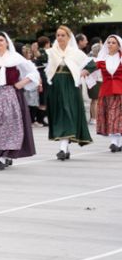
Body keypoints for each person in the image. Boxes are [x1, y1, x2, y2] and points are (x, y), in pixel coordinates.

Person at [0, 32, 39, 171]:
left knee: (8, 124)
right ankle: (6, 154)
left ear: (7, 42)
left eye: (1, 40)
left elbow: (33, 72)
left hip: (8, 94)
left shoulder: (14, 57)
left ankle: (3, 157)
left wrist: (20, 84)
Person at [43, 26, 94, 160]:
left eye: (63, 35)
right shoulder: (51, 52)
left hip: (71, 86)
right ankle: (64, 146)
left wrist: (82, 72)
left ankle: (63, 148)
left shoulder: (75, 52)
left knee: (68, 112)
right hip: (55, 86)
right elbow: (43, 68)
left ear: (69, 37)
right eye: (58, 35)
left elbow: (92, 64)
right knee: (60, 113)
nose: (60, 38)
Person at [92, 35, 122, 152]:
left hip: (120, 90)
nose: (110, 44)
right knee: (112, 116)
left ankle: (115, 142)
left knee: (117, 116)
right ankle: (116, 142)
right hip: (106, 90)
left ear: (118, 45)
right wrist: (83, 72)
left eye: (113, 43)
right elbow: (91, 69)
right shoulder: (102, 59)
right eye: (108, 42)